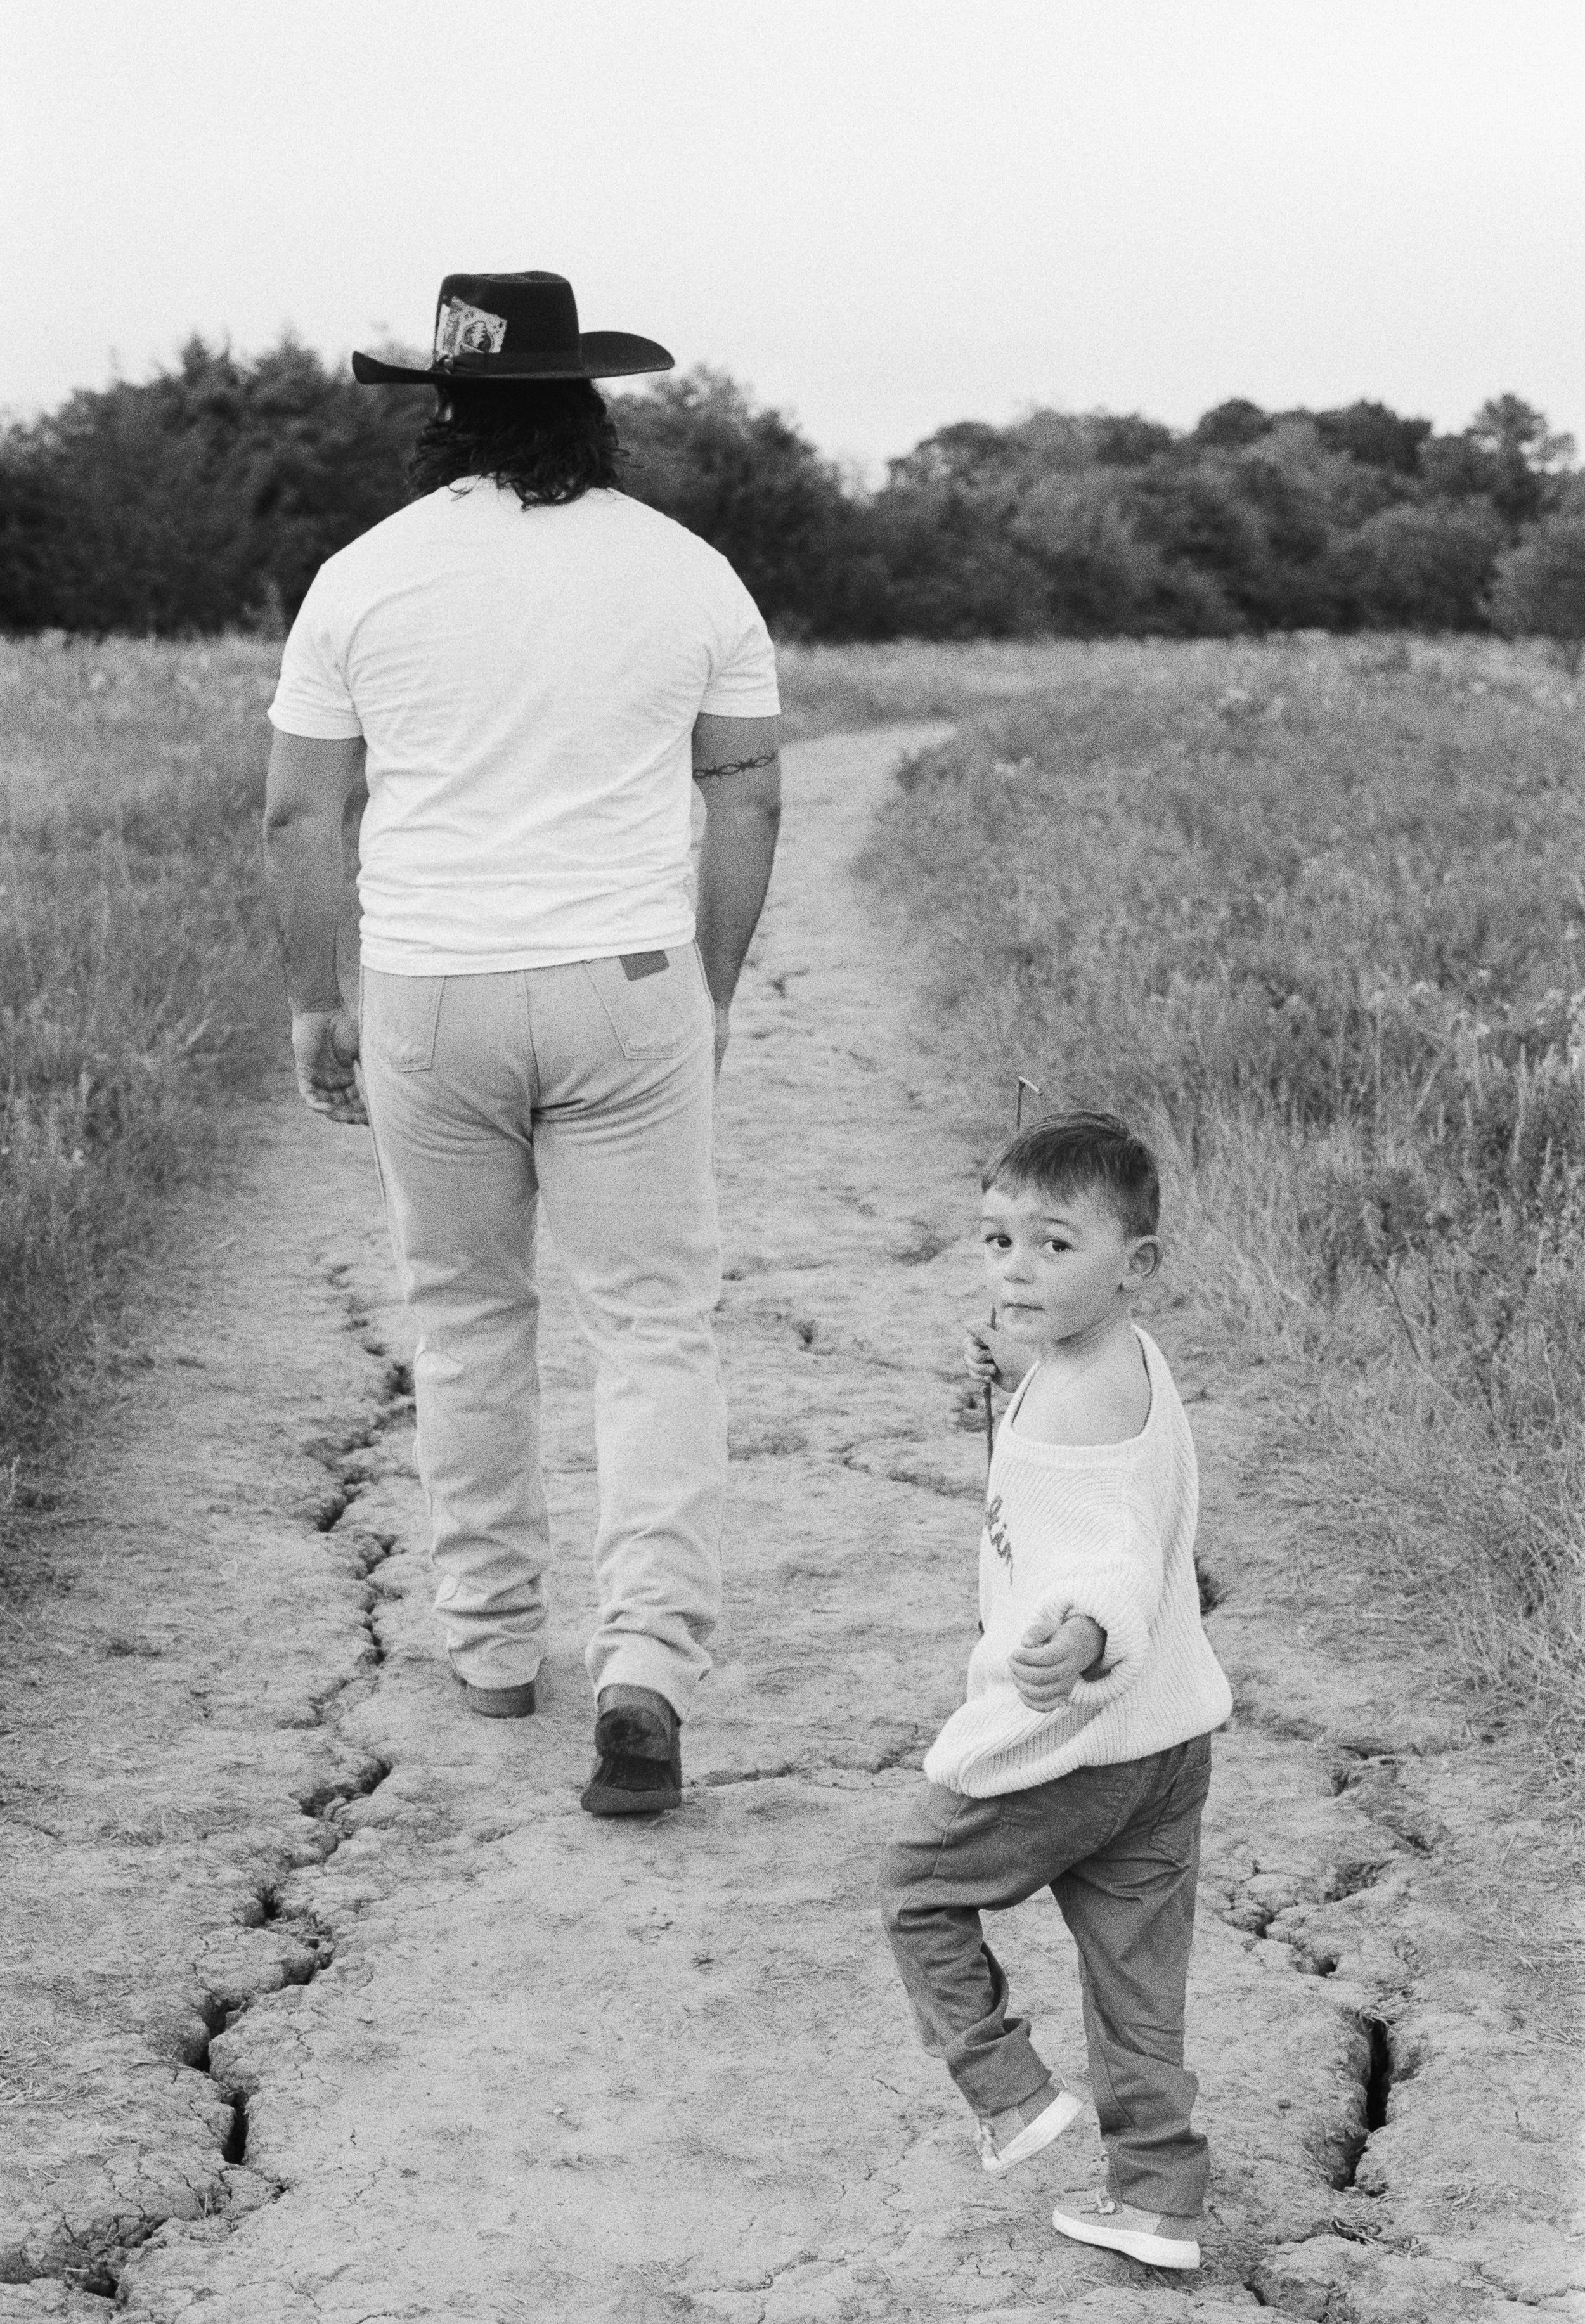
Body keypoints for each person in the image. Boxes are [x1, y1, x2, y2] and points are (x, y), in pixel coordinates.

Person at [262, 270, 782, 1819]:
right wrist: (708, 989)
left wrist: (315, 997)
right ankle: (647, 1670)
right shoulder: (689, 571)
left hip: (431, 988)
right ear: (587, 401)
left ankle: (492, 1649)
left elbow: (301, 812)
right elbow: (746, 795)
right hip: (624, 980)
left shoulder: (362, 576)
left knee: (465, 1318)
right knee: (653, 1328)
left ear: (443, 410)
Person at [877, 1112, 1232, 2271]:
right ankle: (1159, 2198)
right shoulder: (1111, 1361)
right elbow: (1102, 1485)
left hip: (1075, 1739)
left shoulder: (1080, 1408)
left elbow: (1112, 1556)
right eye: (997, 1241)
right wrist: (1019, 1372)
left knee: (920, 1888)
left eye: (1053, 1244)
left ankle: (1010, 2092)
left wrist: (1082, 1639)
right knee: (1138, 1985)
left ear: (1138, 1264)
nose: (1015, 1270)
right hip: (1166, 1745)